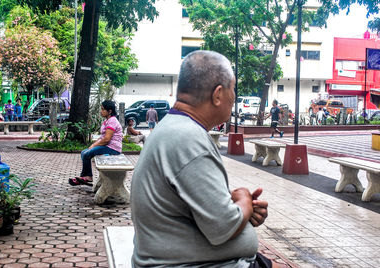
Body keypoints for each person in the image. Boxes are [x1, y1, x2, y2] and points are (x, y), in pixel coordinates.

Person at [131, 51, 275, 267]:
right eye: (233, 88)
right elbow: (224, 227)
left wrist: (242, 209)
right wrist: (244, 200)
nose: (234, 97)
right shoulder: (189, 139)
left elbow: (192, 204)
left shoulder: (174, 128)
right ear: (217, 95)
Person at [69, 100, 123, 186]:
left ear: (109, 111)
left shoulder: (112, 121)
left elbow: (107, 139)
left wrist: (94, 145)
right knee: (84, 152)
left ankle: (87, 177)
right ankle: (85, 176)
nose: (101, 111)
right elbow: (102, 138)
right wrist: (93, 145)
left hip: (113, 148)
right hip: (108, 146)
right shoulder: (107, 121)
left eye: (103, 109)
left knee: (87, 153)